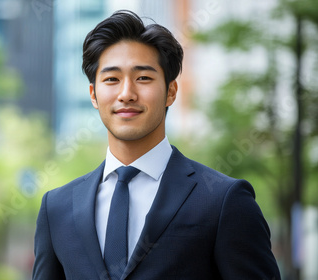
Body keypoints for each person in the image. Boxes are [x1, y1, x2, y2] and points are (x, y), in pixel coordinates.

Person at [32, 10, 280, 280]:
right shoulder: (56, 208)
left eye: (143, 78)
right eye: (112, 79)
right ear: (93, 94)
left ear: (171, 91)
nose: (126, 94)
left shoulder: (224, 201)